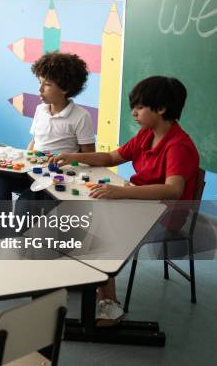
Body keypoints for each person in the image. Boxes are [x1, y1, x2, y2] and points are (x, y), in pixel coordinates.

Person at [51, 76, 199, 326]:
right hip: (140, 204)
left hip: (166, 215)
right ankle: (90, 279)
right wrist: (73, 156)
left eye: (140, 107)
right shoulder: (146, 135)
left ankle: (110, 304)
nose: (134, 113)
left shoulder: (178, 146)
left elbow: (173, 190)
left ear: (161, 109)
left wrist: (121, 192)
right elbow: (111, 157)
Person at [0, 52, 95, 205]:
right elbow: (34, 142)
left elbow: (90, 156)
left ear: (65, 88)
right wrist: (25, 160)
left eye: (47, 84)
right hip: (34, 171)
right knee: (0, 180)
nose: (40, 89)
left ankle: (24, 228)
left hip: (57, 178)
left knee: (25, 202)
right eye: (40, 82)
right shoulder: (40, 109)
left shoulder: (81, 116)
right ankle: (3, 228)